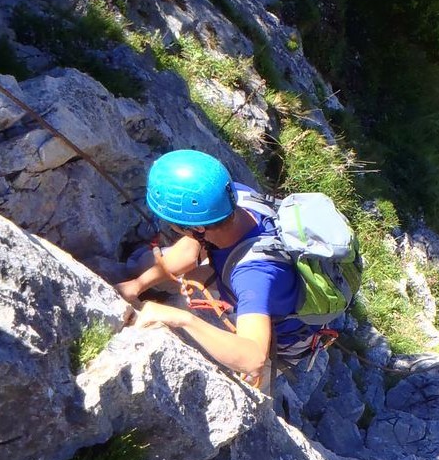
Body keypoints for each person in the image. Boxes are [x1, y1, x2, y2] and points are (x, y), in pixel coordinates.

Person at [117, 149, 310, 379]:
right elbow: (190, 250)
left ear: (198, 228)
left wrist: (181, 319)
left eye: (173, 224)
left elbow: (254, 359)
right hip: (247, 273)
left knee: (249, 378)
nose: (171, 228)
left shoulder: (252, 277)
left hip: (281, 333)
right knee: (147, 264)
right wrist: (138, 285)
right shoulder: (230, 197)